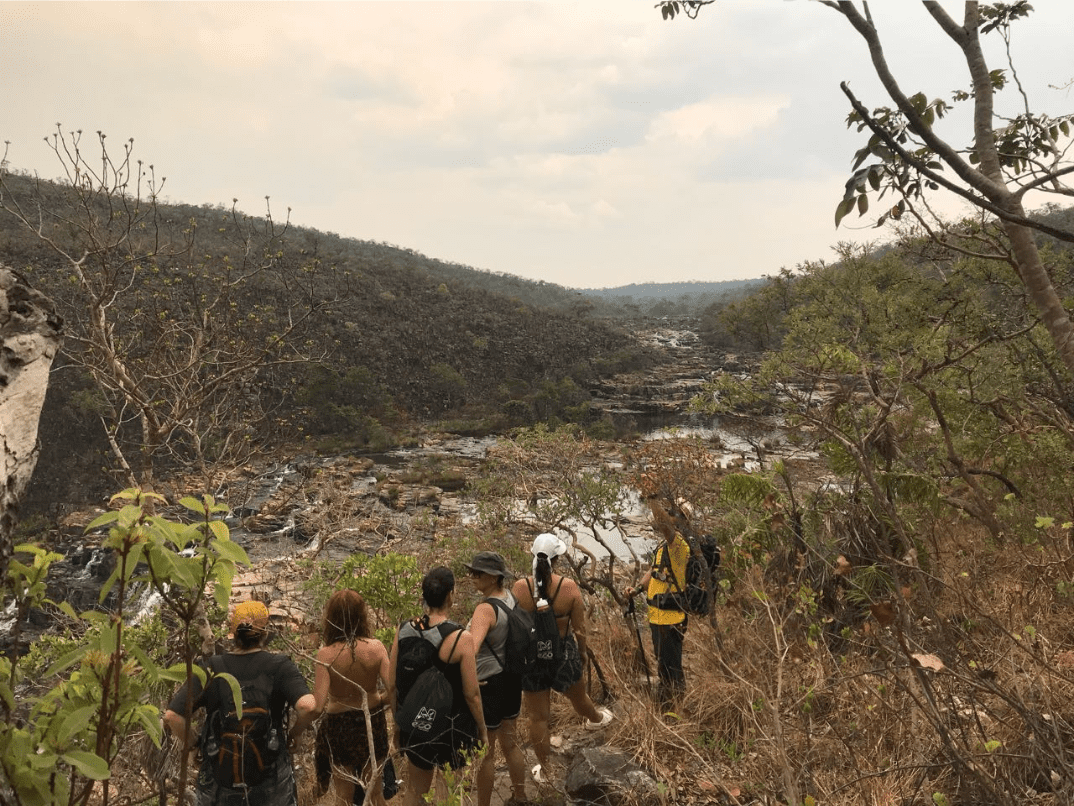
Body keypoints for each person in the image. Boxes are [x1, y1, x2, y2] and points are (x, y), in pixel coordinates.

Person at [162, 600, 318, 806]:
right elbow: (308, 706)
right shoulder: (280, 666)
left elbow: (172, 716)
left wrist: (194, 745)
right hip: (271, 775)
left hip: (219, 776)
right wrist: (294, 734)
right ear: (265, 633)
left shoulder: (212, 668)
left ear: (233, 633)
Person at [511, 534, 613, 785]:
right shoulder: (568, 588)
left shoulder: (520, 588)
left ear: (533, 556)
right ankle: (596, 720)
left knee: (538, 718)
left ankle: (545, 770)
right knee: (579, 698)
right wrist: (582, 655)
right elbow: (580, 629)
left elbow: (513, 626)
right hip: (563, 653)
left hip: (532, 656)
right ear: (556, 560)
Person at [389, 566, 488, 806]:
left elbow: (392, 685)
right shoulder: (460, 638)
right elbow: (472, 693)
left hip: (416, 724)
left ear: (423, 596)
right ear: (451, 595)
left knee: (415, 790)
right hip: (451, 727)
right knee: (448, 793)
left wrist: (398, 724)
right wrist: (482, 730)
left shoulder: (403, 630)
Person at [313, 589, 392, 806]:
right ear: (362, 616)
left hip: (338, 726)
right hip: (372, 721)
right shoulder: (375, 648)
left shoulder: (326, 654)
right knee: (376, 792)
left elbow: (318, 704)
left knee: (343, 796)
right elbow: (394, 689)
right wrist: (380, 699)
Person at [465, 551, 529, 806]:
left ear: (493, 578)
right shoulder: (511, 597)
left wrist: (467, 680)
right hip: (511, 678)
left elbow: (472, 649)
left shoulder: (485, 609)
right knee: (510, 743)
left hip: (489, 683)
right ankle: (521, 796)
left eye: (477, 573)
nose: (472, 577)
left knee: (486, 753)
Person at [623, 502, 690, 709]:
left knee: (672, 668)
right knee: (663, 664)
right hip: (657, 617)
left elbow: (664, 526)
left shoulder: (679, 545)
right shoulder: (663, 547)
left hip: (671, 619)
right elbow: (653, 571)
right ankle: (667, 705)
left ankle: (675, 709)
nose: (669, 516)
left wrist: (652, 499)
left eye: (673, 514)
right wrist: (637, 590)